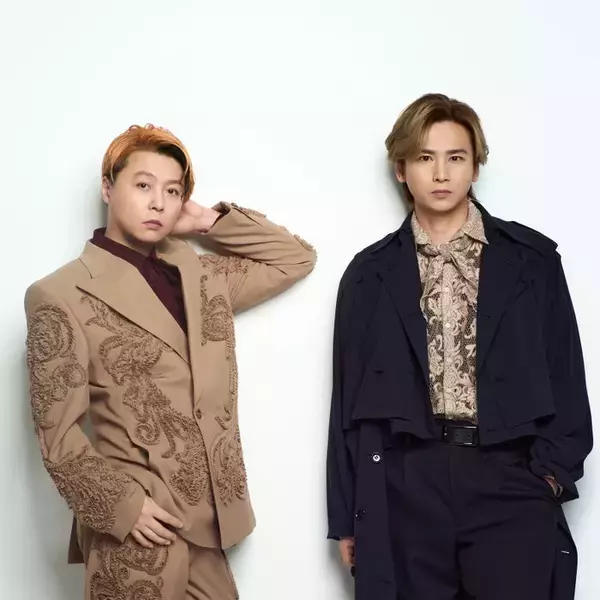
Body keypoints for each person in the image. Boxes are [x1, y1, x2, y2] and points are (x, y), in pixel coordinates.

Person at [25, 124, 316, 599]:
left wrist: (203, 220)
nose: (158, 203)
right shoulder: (60, 295)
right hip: (135, 533)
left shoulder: (202, 276)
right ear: (107, 187)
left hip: (211, 523)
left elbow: (295, 259)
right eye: (143, 186)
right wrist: (124, 507)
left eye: (172, 191)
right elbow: (58, 437)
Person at [326, 93, 592, 600]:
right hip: (406, 483)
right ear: (401, 169)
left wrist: (549, 478)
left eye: (456, 157)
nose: (441, 173)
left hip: (509, 478)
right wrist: (347, 518)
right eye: (424, 157)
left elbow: (567, 376)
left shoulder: (532, 262)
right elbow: (346, 406)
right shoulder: (368, 275)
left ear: (475, 166)